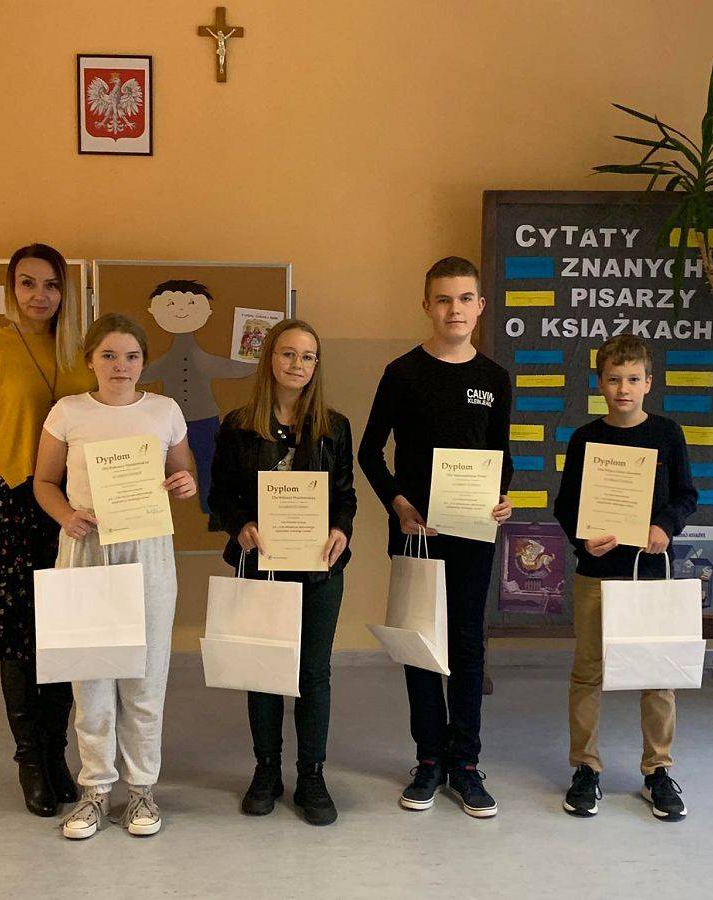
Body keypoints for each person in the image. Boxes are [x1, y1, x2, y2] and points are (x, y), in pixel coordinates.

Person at [358, 257, 513, 819]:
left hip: (473, 533)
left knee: (468, 646)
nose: (454, 309)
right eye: (443, 299)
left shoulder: (494, 378)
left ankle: (465, 764)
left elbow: (502, 456)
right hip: (416, 532)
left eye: (465, 298)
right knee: (421, 645)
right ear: (427, 305)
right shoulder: (402, 373)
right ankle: (428, 759)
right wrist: (399, 505)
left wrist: (502, 497)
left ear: (480, 306)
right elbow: (369, 452)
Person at [33, 313, 196, 840]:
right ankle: (96, 790)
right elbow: (43, 481)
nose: (120, 366)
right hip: (86, 550)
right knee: (92, 679)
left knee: (145, 676)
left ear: (144, 362)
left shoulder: (164, 411)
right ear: (90, 360)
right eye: (108, 355)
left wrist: (185, 483)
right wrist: (66, 515)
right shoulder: (68, 412)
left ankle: (142, 788)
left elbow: (184, 472)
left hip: (147, 550)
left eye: (131, 356)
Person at [0, 243, 95, 817]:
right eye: (28, 283)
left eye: (52, 285)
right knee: (19, 639)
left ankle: (57, 753)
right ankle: (29, 760)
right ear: (11, 288)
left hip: (70, 511)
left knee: (65, 636)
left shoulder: (83, 353)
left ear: (66, 292)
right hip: (10, 509)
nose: (41, 295)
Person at [208, 319, 357, 826]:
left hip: (319, 568)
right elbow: (219, 495)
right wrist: (241, 525)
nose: (298, 364)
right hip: (262, 565)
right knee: (265, 668)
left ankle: (311, 775)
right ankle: (266, 770)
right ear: (269, 357)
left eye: (308, 356)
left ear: (317, 365)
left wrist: (341, 529)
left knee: (313, 673)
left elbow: (346, 496)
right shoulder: (237, 425)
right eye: (288, 353)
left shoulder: (334, 426)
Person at [553, 334, 698, 822]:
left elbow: (687, 495)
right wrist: (582, 541)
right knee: (588, 672)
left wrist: (665, 526)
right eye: (614, 380)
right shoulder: (584, 438)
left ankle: (658, 770)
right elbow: (566, 504)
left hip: (649, 574)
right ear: (600, 383)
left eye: (633, 379)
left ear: (649, 383)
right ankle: (585, 768)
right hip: (597, 574)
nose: (623, 389)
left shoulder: (667, 434)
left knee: (657, 674)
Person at [139, 280, 256, 515]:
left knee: (209, 463)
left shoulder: (198, 357)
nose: (181, 309)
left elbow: (224, 367)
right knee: (157, 466)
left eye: (191, 303)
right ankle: (158, 513)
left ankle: (211, 509)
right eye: (171, 304)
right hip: (170, 420)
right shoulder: (169, 358)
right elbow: (147, 373)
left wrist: (256, 362)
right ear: (153, 310)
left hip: (204, 417)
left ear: (207, 312)